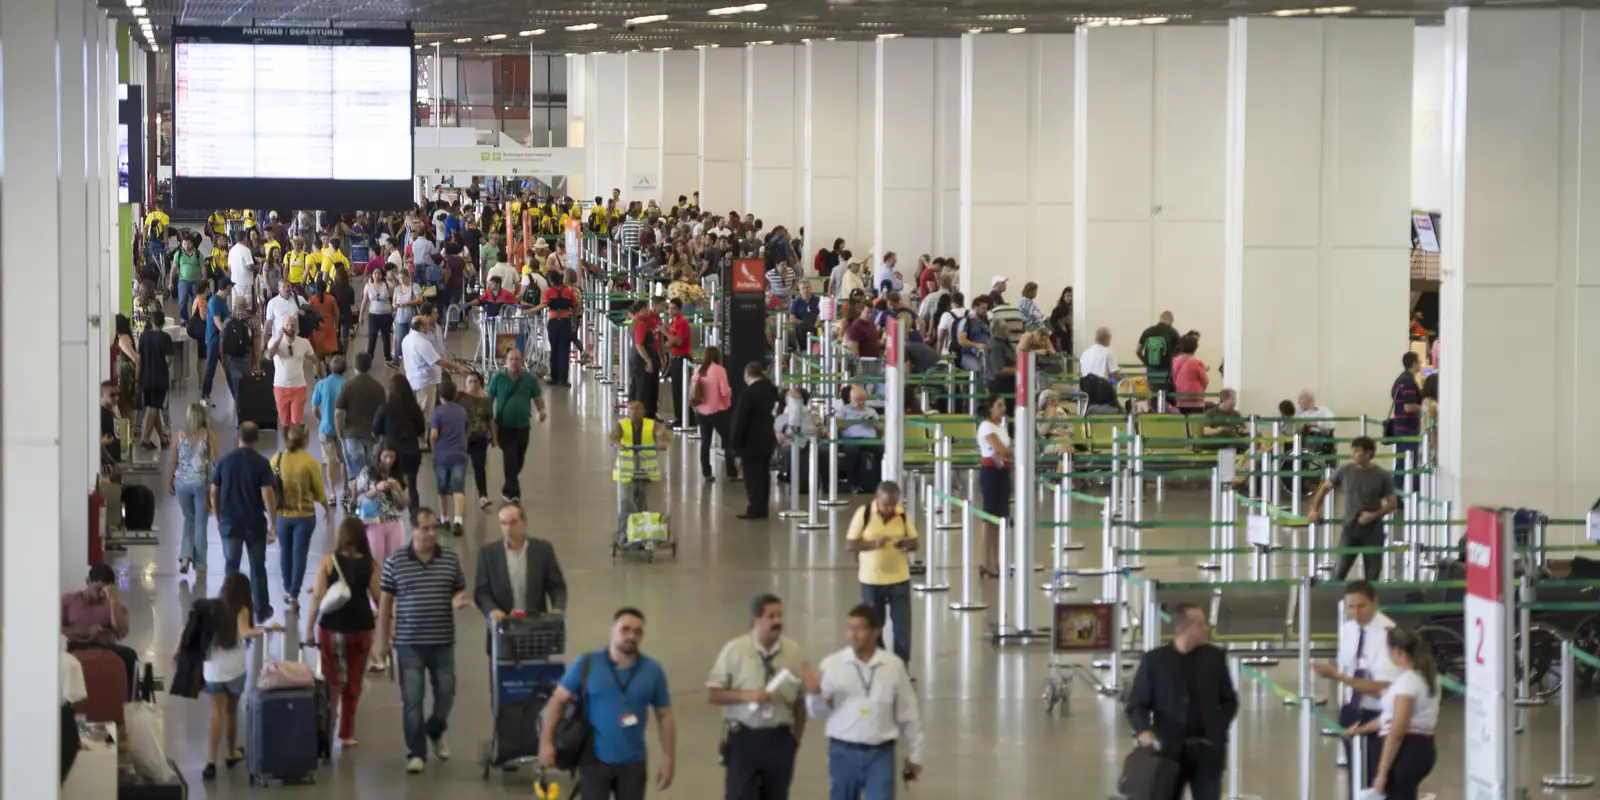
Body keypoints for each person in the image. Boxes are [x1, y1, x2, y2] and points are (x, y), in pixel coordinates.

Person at [538, 607, 678, 798]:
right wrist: (546, 742)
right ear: (612, 630)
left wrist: (669, 758)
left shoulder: (653, 671)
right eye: (625, 629)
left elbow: (665, 716)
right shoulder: (588, 663)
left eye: (637, 631)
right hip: (594, 760)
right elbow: (556, 701)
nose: (631, 636)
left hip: (633, 763)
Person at [377, 507, 471, 774]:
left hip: (442, 642)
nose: (431, 533)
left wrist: (458, 600)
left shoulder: (450, 560)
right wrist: (381, 642)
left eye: (433, 528)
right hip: (409, 644)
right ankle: (416, 752)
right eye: (425, 528)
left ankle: (436, 729)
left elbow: (459, 589)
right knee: (412, 699)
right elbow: (385, 603)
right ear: (413, 529)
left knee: (446, 693)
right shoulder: (395, 561)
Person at [801, 604, 923, 800]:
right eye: (850, 627)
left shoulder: (892, 666)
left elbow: (908, 713)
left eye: (860, 629)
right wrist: (814, 694)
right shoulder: (832, 665)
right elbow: (818, 713)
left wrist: (916, 754)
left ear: (876, 632)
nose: (853, 634)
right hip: (842, 752)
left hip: (880, 754)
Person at [1124, 602, 1239, 800]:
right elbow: (1137, 703)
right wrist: (1144, 729)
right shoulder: (1155, 661)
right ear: (1184, 629)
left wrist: (1217, 728)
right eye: (1201, 625)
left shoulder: (1215, 658)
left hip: (1208, 753)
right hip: (1169, 753)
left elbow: (1229, 700)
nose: (1206, 629)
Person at [707, 593, 806, 800]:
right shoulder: (735, 650)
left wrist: (794, 739)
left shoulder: (793, 651)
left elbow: (800, 700)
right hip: (744, 739)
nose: (778, 621)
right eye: (771, 616)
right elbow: (714, 695)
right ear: (754, 620)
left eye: (780, 615)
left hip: (779, 739)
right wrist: (747, 695)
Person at [1311, 581, 1397, 797]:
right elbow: (1347, 667)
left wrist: (1335, 676)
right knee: (1355, 775)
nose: (1355, 613)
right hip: (1352, 710)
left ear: (1375, 602)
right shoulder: (1348, 630)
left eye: (1361, 606)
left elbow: (1381, 689)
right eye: (1351, 607)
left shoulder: (1388, 634)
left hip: (1378, 713)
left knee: (1376, 778)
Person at [303, 517, 382, 748]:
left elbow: (317, 597)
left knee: (331, 683)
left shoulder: (328, 561)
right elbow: (379, 599)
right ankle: (347, 734)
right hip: (361, 629)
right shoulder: (371, 565)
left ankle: (325, 730)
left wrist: (309, 628)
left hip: (331, 629)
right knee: (354, 682)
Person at [199, 573, 280, 780]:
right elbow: (245, 632)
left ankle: (210, 762)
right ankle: (232, 752)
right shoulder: (241, 609)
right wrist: (267, 628)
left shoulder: (213, 607)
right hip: (234, 670)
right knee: (231, 713)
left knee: (216, 715)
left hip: (213, 670)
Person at [1344, 628, 1440, 800]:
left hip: (1405, 753)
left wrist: (1382, 772)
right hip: (1423, 748)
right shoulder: (1427, 678)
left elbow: (1397, 729)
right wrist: (1362, 728)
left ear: (1398, 651)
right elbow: (1390, 716)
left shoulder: (1408, 682)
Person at [845, 482, 918, 667]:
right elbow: (851, 544)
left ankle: (902, 666)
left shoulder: (902, 514)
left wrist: (906, 544)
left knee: (902, 627)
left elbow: (915, 542)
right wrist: (873, 544)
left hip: (899, 578)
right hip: (871, 580)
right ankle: (880, 663)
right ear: (877, 499)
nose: (890, 508)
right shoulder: (864, 513)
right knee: (873, 627)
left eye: (893, 504)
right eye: (886, 504)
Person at [210, 422, 277, 619]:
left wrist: (218, 517)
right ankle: (262, 609)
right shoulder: (262, 464)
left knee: (231, 567)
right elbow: (268, 495)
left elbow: (214, 493)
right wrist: (273, 523)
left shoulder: (224, 462)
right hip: (254, 524)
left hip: (230, 524)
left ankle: (228, 607)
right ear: (256, 439)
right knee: (258, 567)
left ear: (238, 437)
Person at [1308, 436, 1398, 581]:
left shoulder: (1382, 476)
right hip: (1350, 527)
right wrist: (1315, 509)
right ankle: (1335, 601)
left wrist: (1373, 515)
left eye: (1358, 451)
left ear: (1368, 453)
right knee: (1339, 572)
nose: (1354, 454)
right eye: (1354, 451)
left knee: (1372, 574)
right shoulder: (1344, 471)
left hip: (1373, 530)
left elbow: (1392, 504)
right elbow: (1324, 488)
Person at [473, 504, 568, 629]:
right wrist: (492, 610)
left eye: (513, 523)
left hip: (535, 626)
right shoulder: (488, 554)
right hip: (503, 628)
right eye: (503, 523)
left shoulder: (543, 550)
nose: (508, 529)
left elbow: (557, 587)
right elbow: (482, 592)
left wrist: (558, 608)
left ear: (524, 522)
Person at [271, 424, 332, 613]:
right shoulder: (310, 463)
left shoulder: (277, 459)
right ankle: (294, 594)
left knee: (285, 552)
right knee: (300, 553)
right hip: (304, 516)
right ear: (305, 440)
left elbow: (268, 485)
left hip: (282, 514)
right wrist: (326, 507)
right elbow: (319, 490)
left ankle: (288, 588)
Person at [61, 565, 136, 698]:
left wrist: (112, 601)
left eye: (105, 590)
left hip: (103, 646)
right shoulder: (69, 601)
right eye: (98, 589)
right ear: (88, 582)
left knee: (129, 656)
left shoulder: (112, 604)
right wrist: (86, 632)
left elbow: (121, 633)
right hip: (75, 645)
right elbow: (58, 630)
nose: (101, 594)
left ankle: (127, 702)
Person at [487, 349, 547, 504]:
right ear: (506, 362)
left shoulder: (530, 380)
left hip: (523, 427)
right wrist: (487, 419)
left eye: (517, 359)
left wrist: (541, 411)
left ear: (522, 361)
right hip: (504, 427)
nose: (514, 362)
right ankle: (513, 494)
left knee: (519, 460)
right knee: (510, 458)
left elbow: (537, 398)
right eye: (511, 359)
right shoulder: (498, 378)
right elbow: (489, 399)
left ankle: (509, 486)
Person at [611, 398, 673, 542]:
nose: (634, 412)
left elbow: (661, 434)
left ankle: (643, 532)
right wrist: (618, 444)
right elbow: (613, 436)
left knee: (643, 503)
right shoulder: (622, 424)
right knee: (626, 502)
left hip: (646, 470)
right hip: (627, 471)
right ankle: (624, 533)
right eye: (631, 409)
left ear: (643, 411)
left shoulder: (651, 424)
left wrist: (663, 442)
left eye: (637, 409)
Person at [335, 352, 387, 512]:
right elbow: (384, 413)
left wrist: (339, 433)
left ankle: (354, 501)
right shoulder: (378, 387)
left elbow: (338, 413)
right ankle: (368, 503)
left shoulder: (348, 386)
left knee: (357, 472)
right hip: (372, 435)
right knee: (370, 471)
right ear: (369, 366)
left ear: (354, 366)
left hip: (351, 435)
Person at [730, 361, 781, 520]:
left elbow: (741, 420)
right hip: (768, 437)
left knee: (752, 476)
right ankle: (762, 506)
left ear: (747, 374)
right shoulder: (772, 390)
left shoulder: (748, 394)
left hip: (750, 440)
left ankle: (754, 508)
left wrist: (735, 441)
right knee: (763, 474)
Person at [373, 375, 427, 523]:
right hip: (412, 450)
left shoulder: (385, 407)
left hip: (392, 454)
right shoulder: (414, 407)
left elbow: (375, 429)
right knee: (412, 486)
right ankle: (415, 518)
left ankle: (392, 519)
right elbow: (421, 429)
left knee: (392, 486)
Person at [401, 314, 467, 419]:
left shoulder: (406, 339)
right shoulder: (422, 343)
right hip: (425, 384)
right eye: (426, 324)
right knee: (426, 416)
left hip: (412, 381)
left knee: (416, 414)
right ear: (421, 327)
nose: (429, 327)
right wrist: (458, 367)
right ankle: (425, 435)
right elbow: (440, 362)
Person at [975, 394, 1012, 578]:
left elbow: (1007, 451)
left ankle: (995, 560)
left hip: (1003, 471)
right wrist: (1007, 452)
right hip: (990, 473)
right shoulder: (986, 427)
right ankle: (986, 561)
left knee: (999, 519)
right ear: (990, 408)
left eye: (1004, 405)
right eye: (999, 405)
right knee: (989, 518)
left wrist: (1007, 453)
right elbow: (1001, 449)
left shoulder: (1002, 427)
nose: (1003, 408)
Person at [429, 380, 472, 535]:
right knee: (458, 488)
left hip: (442, 453)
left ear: (440, 395)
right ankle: (458, 521)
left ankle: (444, 518)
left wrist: (434, 450)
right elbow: (467, 431)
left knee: (442, 488)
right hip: (460, 452)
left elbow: (434, 435)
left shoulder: (437, 412)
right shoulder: (462, 411)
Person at [691, 346, 738, 482]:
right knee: (728, 439)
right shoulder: (719, 370)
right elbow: (724, 391)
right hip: (717, 411)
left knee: (705, 441)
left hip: (701, 411)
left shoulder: (698, 370)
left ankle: (707, 472)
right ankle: (731, 472)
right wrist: (730, 393)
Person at [311, 356, 348, 506]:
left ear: (330, 368)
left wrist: (320, 419)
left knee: (329, 462)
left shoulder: (321, 384)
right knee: (344, 461)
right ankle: (346, 492)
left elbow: (314, 409)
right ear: (345, 369)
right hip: (344, 430)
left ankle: (332, 493)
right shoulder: (347, 384)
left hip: (325, 429)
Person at [836, 385, 885, 494]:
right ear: (850, 399)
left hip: (870, 438)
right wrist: (856, 420)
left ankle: (879, 483)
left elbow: (881, 429)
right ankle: (853, 484)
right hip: (851, 439)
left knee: (882, 451)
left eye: (863, 400)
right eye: (858, 400)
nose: (861, 402)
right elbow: (838, 425)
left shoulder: (871, 411)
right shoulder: (844, 409)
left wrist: (874, 423)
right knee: (853, 453)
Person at [136, 310, 174, 450]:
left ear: (151, 322)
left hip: (145, 378)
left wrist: (137, 379)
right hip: (160, 378)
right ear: (163, 323)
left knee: (154, 408)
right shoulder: (166, 338)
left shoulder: (144, 337)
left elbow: (139, 360)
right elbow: (168, 360)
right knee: (154, 408)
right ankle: (145, 439)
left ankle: (162, 439)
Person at [459, 371, 497, 509]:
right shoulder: (460, 397)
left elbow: (490, 420)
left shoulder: (486, 400)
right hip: (462, 438)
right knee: (460, 468)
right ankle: (459, 495)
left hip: (480, 438)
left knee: (479, 467)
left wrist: (494, 438)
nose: (473, 384)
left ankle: (483, 496)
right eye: (470, 381)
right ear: (465, 383)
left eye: (476, 381)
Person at [266, 316, 312, 427]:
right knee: (284, 423)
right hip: (280, 387)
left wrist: (320, 377)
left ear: (296, 327)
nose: (290, 328)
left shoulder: (304, 342)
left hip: (299, 387)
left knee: (297, 423)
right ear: (282, 326)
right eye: (287, 325)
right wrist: (278, 339)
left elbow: (314, 360)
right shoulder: (274, 341)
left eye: (292, 325)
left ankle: (297, 444)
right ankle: (288, 444)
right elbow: (269, 356)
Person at [1388, 351, 1424, 488]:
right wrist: (1425, 408)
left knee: (1401, 463)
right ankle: (1402, 499)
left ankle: (1398, 498)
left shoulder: (1401, 379)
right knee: (1407, 464)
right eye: (1419, 362)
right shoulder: (1408, 381)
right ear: (1414, 364)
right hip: (1407, 430)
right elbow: (1408, 407)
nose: (1420, 364)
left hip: (1401, 428)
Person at [664, 299, 693, 427]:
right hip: (675, 358)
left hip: (683, 359)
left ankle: (684, 418)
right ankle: (681, 416)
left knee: (681, 389)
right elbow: (672, 340)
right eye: (669, 308)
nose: (669, 311)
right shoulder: (672, 322)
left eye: (672, 308)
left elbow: (679, 341)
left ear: (678, 309)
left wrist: (665, 333)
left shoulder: (681, 322)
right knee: (676, 389)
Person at [1136, 311, 1181, 393]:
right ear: (1171, 320)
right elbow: (1180, 355)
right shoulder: (1173, 332)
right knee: (1168, 397)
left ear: (1160, 318)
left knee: (1154, 396)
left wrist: (1146, 362)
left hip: (1151, 370)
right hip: (1167, 370)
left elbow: (1137, 351)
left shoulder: (1148, 331)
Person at [362, 266, 396, 362]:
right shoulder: (368, 286)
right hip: (373, 316)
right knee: (372, 337)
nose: (377, 275)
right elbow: (364, 301)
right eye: (375, 273)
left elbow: (394, 298)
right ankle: (369, 357)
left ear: (382, 275)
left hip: (386, 315)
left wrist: (394, 311)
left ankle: (387, 357)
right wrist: (361, 315)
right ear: (372, 275)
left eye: (379, 273)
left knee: (386, 337)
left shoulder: (387, 284)